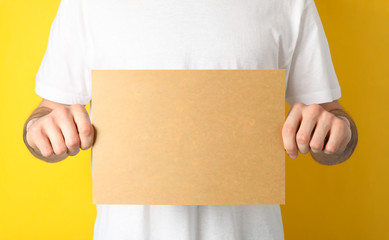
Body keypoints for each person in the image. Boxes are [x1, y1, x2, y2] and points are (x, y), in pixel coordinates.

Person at [22, 0, 358, 239]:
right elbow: (46, 113)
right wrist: (42, 130)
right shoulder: (88, 3)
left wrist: (335, 132)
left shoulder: (288, 2)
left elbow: (334, 121)